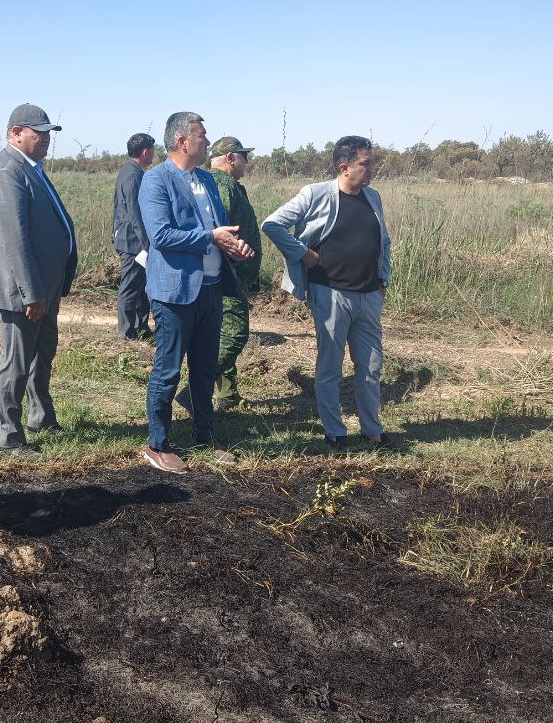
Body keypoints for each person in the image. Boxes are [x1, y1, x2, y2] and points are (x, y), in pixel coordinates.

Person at [261, 136, 394, 451]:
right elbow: (272, 224)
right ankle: (335, 432)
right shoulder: (315, 194)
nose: (372, 169)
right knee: (331, 367)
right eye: (366, 163)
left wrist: (382, 281)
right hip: (331, 295)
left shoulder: (373, 197)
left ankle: (372, 430)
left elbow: (384, 242)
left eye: (372, 162)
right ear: (344, 167)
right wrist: (302, 253)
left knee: (371, 365)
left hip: (368, 296)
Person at [139, 111, 254, 474]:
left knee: (204, 369)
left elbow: (219, 228)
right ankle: (157, 444)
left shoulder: (206, 179)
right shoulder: (156, 180)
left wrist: (233, 246)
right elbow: (161, 235)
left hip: (211, 288)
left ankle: (204, 435)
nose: (207, 141)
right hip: (175, 292)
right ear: (182, 141)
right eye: (201, 135)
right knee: (168, 370)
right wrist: (211, 237)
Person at [0, 103, 78, 458]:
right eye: (39, 133)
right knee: (18, 362)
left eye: (49, 133)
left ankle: (41, 417)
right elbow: (14, 241)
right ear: (15, 133)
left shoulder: (30, 168)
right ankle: (9, 435)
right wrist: (32, 293)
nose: (46, 139)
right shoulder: (7, 172)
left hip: (43, 287)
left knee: (43, 355)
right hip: (23, 291)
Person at [206, 136, 262, 409]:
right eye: (243, 157)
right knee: (235, 333)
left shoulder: (221, 183)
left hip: (228, 272)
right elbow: (220, 228)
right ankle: (196, 388)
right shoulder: (223, 184)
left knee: (221, 333)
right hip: (229, 274)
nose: (246, 163)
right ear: (230, 158)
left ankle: (228, 394)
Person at [112, 132, 156, 340]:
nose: (154, 154)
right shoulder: (133, 175)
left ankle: (141, 328)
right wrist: (147, 244)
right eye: (153, 150)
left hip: (130, 239)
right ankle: (127, 333)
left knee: (140, 287)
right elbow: (135, 213)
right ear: (145, 152)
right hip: (133, 242)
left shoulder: (130, 171)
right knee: (130, 288)